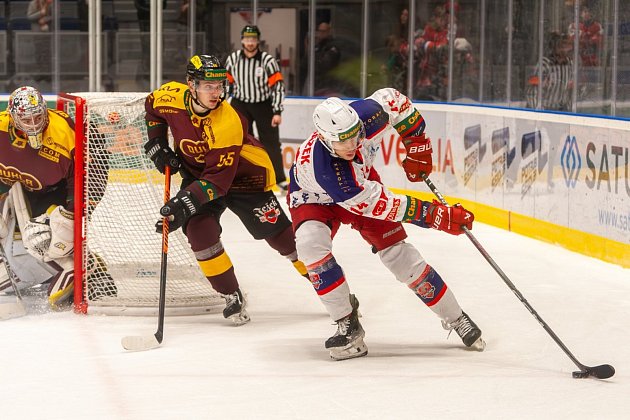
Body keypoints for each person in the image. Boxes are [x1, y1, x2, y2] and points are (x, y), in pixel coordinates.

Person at [287, 88, 484, 360]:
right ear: (324, 139)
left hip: (363, 183)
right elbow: (387, 206)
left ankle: (456, 317)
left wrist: (416, 144)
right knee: (310, 246)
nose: (352, 145)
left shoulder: (366, 117)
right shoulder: (328, 171)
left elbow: (394, 100)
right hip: (315, 197)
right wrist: (436, 215)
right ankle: (347, 323)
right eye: (342, 142)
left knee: (399, 256)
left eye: (355, 135)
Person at [143, 54, 308, 325]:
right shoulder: (169, 96)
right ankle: (230, 293)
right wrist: (157, 143)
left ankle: (326, 282)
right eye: (208, 85)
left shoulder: (228, 121)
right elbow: (152, 111)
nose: (216, 92)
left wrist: (182, 203)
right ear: (190, 84)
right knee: (199, 232)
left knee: (280, 237)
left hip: (243, 178)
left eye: (219, 85)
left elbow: (219, 181)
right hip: (200, 176)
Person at [0, 86, 115, 309]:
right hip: (21, 188)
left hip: (58, 191)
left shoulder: (65, 130)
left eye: (38, 117)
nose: (33, 124)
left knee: (43, 237)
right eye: (26, 119)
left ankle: (91, 273)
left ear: (46, 111)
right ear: (12, 117)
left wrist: (76, 211)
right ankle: (29, 271)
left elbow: (93, 172)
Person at [225, 25, 288, 192]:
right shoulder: (233, 59)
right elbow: (225, 85)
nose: (250, 42)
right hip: (240, 103)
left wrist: (277, 111)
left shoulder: (267, 60)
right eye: (247, 39)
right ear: (242, 40)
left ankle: (279, 179)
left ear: (258, 40)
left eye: (253, 39)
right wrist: (221, 106)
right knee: (242, 142)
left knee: (271, 143)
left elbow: (278, 87)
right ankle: (245, 177)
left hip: (263, 105)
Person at [526, 31, 574, 111]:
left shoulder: (570, 64)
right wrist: (538, 111)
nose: (565, 49)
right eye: (561, 46)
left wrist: (568, 110)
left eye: (567, 46)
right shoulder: (545, 63)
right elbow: (532, 92)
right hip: (544, 108)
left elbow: (569, 91)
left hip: (561, 109)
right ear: (554, 48)